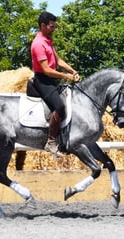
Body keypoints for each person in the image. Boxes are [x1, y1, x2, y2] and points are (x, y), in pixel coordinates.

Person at [31, 11, 81, 158]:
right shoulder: (38, 44)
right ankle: (51, 142)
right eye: (52, 26)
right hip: (42, 80)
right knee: (59, 107)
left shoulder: (47, 41)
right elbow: (47, 70)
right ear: (43, 26)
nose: (54, 29)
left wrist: (72, 70)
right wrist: (66, 76)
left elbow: (58, 61)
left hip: (51, 79)